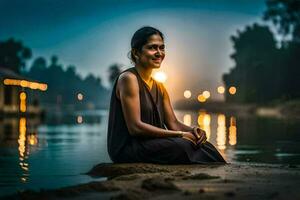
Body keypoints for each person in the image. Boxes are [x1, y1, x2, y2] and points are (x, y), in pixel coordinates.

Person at [107, 26, 226, 164]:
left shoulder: (160, 86)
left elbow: (173, 123)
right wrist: (182, 135)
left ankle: (218, 167)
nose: (159, 53)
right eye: (152, 48)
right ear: (136, 52)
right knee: (183, 145)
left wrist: (193, 131)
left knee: (205, 145)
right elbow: (135, 128)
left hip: (152, 144)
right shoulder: (128, 79)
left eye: (162, 48)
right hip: (128, 148)